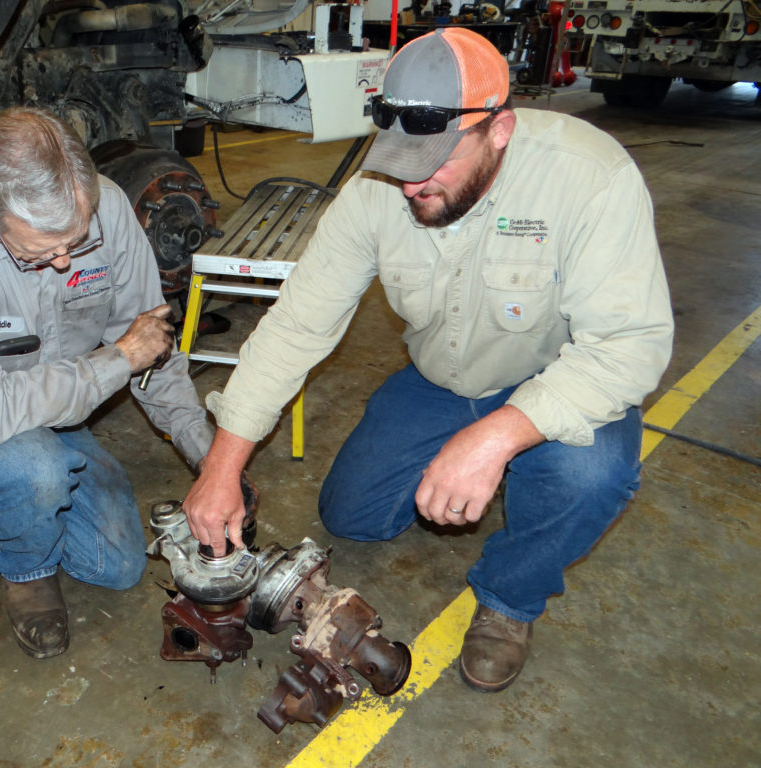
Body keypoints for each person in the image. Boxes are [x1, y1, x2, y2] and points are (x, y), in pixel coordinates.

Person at [182, 28, 673, 692]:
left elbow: (629, 348)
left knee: (590, 475)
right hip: (444, 383)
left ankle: (509, 599)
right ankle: (472, 462)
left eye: (435, 159)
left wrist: (495, 438)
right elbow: (298, 323)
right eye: (400, 155)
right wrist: (223, 463)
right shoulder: (378, 190)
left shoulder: (590, 178)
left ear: (498, 129)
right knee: (350, 515)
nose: (411, 180)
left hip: (559, 382)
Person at [0, 107, 213, 659]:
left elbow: (150, 346)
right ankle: (24, 567)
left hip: (52, 409)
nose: (63, 262)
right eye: (39, 253)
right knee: (31, 468)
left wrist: (208, 456)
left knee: (119, 566)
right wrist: (115, 361)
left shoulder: (104, 209)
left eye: (75, 243)